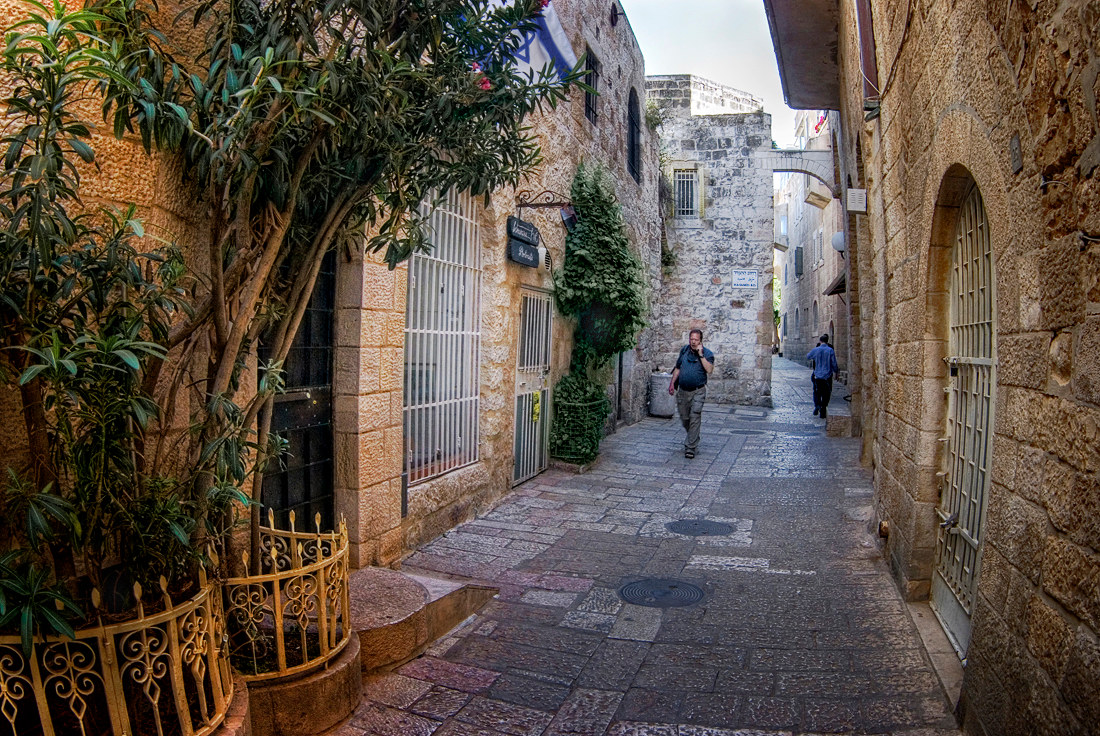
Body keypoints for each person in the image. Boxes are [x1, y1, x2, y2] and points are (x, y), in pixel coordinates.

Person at [668, 328, 714, 458]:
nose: (693, 342)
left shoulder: (708, 353)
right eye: (691, 339)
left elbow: (709, 369)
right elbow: (677, 368)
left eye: (696, 340)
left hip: (698, 391)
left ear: (700, 341)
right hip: (683, 391)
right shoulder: (684, 351)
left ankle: (690, 447)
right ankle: (693, 436)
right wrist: (672, 384)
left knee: (695, 416)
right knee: (685, 418)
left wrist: (700, 355)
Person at [807, 334, 839, 419]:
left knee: (816, 391)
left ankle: (817, 405)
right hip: (827, 376)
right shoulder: (830, 350)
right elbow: (834, 363)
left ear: (820, 341)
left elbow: (808, 356)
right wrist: (836, 371)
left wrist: (815, 356)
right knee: (826, 393)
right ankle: (823, 408)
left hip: (817, 375)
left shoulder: (816, 350)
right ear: (827, 341)